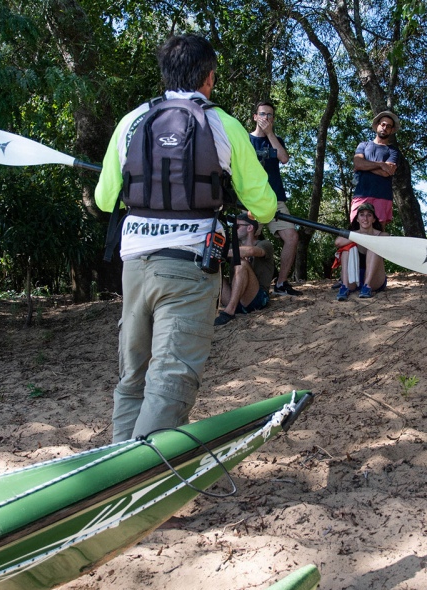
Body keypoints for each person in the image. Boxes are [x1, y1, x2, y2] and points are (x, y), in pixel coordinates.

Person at [94, 34, 277, 440]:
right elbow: (264, 207)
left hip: (135, 268)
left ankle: (118, 465)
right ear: (208, 78)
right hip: (189, 267)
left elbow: (105, 199)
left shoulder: (131, 122)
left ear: (165, 75)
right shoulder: (223, 124)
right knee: (171, 382)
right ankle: (135, 482)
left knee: (132, 379)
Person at [249, 101, 301, 297]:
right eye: (262, 114)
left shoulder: (276, 139)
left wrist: (270, 134)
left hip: (275, 200)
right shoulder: (245, 140)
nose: (266, 118)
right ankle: (249, 288)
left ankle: (281, 284)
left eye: (270, 115)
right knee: (248, 241)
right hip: (251, 200)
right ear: (255, 116)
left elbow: (284, 158)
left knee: (292, 237)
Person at [215, 216, 276, 326]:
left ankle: (229, 311)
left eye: (237, 226)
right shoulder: (232, 247)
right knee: (213, 270)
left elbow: (251, 250)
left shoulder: (264, 244)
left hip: (257, 298)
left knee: (241, 264)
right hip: (234, 297)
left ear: (250, 228)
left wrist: (221, 253)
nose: (234, 229)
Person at [351, 111, 400, 224]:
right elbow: (358, 163)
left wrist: (365, 166)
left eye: (388, 126)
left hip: (382, 196)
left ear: (392, 130)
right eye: (383, 124)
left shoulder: (393, 151)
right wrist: (381, 164)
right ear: (377, 125)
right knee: (356, 232)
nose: (385, 128)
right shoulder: (363, 145)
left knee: (379, 234)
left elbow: (387, 173)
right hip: (361, 194)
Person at [335, 203, 388, 300]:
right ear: (357, 219)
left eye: (369, 215)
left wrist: (367, 238)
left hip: (374, 280)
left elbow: (388, 242)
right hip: (354, 279)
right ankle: (344, 287)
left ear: (374, 219)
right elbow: (338, 242)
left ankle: (367, 287)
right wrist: (359, 236)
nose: (365, 218)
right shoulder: (352, 234)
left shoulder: (382, 235)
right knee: (347, 248)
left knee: (374, 245)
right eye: (362, 214)